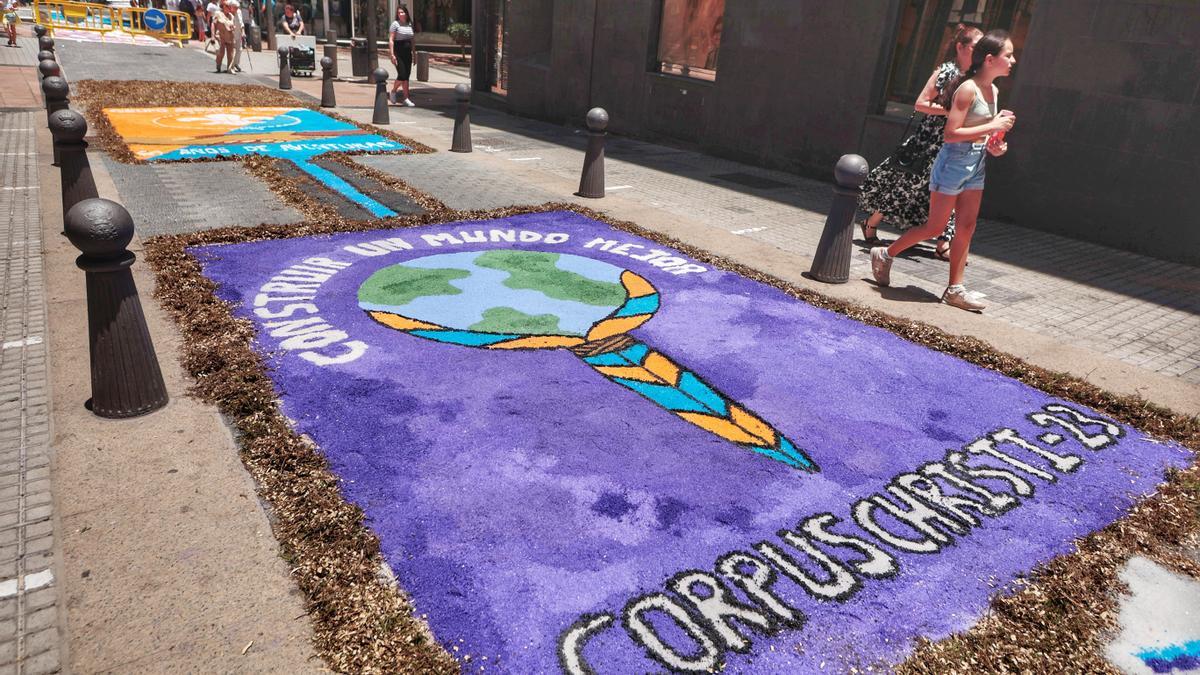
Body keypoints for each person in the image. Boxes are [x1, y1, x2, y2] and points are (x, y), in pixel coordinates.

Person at [870, 29, 1016, 312]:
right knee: (936, 227)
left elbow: (981, 134)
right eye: (1008, 55)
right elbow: (951, 134)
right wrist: (992, 127)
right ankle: (886, 253)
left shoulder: (993, 90)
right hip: (952, 162)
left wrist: (995, 146)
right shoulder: (968, 89)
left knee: (966, 227)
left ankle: (955, 289)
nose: (1012, 61)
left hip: (976, 164)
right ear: (989, 59)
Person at [858, 24, 982, 260]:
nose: (979, 52)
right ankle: (871, 221)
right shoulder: (946, 71)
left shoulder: (975, 79)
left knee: (953, 190)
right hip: (929, 142)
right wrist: (951, 112)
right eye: (976, 46)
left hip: (956, 144)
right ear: (961, 47)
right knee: (908, 186)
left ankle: (943, 242)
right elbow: (920, 103)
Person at [387, 4, 415, 106]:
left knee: (406, 76)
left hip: (408, 52)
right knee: (402, 74)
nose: (400, 14)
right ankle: (393, 91)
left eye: (402, 12)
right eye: (398, 13)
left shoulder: (409, 24)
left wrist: (414, 54)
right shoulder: (395, 24)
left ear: (406, 13)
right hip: (398, 51)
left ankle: (406, 98)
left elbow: (412, 40)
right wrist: (392, 54)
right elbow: (391, 40)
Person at [211, 0, 237, 72]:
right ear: (223, 6)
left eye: (230, 7)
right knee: (221, 53)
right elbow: (213, 24)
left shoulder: (231, 16)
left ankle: (230, 68)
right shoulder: (218, 14)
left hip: (230, 36)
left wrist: (233, 28)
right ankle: (218, 65)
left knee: (231, 53)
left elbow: (233, 25)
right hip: (221, 36)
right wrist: (212, 36)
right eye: (227, 6)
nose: (229, 8)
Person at [228, 0, 244, 72]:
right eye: (235, 7)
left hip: (238, 33)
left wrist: (243, 32)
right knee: (232, 50)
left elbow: (241, 23)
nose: (237, 9)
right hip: (231, 34)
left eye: (237, 7)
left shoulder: (239, 12)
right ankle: (232, 65)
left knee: (239, 49)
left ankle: (236, 63)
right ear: (231, 7)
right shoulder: (228, 13)